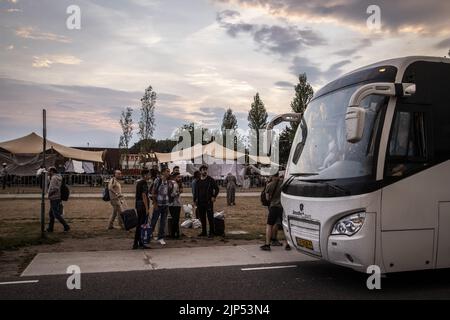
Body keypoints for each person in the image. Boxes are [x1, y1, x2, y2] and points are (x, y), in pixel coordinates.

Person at [194, 165, 219, 238]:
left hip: (208, 202)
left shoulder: (210, 179)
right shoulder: (198, 181)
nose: (205, 171)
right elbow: (196, 191)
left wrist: (214, 196)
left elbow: (217, 188)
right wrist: (195, 199)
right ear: (200, 171)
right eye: (203, 170)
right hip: (200, 202)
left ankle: (212, 232)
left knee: (210, 217)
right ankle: (204, 232)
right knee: (202, 218)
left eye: (206, 170)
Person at [260, 173, 283, 251]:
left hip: (273, 206)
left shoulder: (269, 185)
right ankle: (287, 244)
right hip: (282, 207)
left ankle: (267, 244)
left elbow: (267, 198)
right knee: (282, 225)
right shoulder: (283, 183)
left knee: (269, 225)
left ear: (272, 176)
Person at [150, 167, 172, 245]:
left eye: (169, 171)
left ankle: (161, 237)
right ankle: (149, 235)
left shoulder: (169, 182)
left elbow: (168, 192)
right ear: (163, 172)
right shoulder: (158, 180)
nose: (169, 173)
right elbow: (153, 192)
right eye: (167, 171)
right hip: (158, 204)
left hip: (165, 204)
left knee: (163, 222)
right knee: (154, 220)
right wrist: (155, 203)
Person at [47, 167, 70, 233]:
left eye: (49, 171)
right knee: (51, 214)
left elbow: (54, 188)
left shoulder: (54, 178)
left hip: (54, 197)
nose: (48, 173)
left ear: (52, 171)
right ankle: (50, 228)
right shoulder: (59, 177)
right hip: (57, 197)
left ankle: (66, 226)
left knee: (55, 214)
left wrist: (49, 194)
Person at [133, 169, 150, 250]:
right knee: (141, 224)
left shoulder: (138, 182)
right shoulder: (143, 183)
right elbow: (144, 195)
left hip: (138, 205)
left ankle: (138, 242)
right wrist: (147, 208)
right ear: (145, 175)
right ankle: (138, 242)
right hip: (142, 206)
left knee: (139, 224)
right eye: (148, 174)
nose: (149, 176)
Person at [169, 173, 183, 239]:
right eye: (178, 177)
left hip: (172, 204)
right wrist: (179, 192)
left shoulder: (171, 183)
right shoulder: (175, 184)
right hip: (175, 204)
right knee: (175, 220)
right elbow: (173, 194)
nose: (180, 178)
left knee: (175, 219)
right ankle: (174, 234)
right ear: (175, 177)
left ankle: (176, 234)